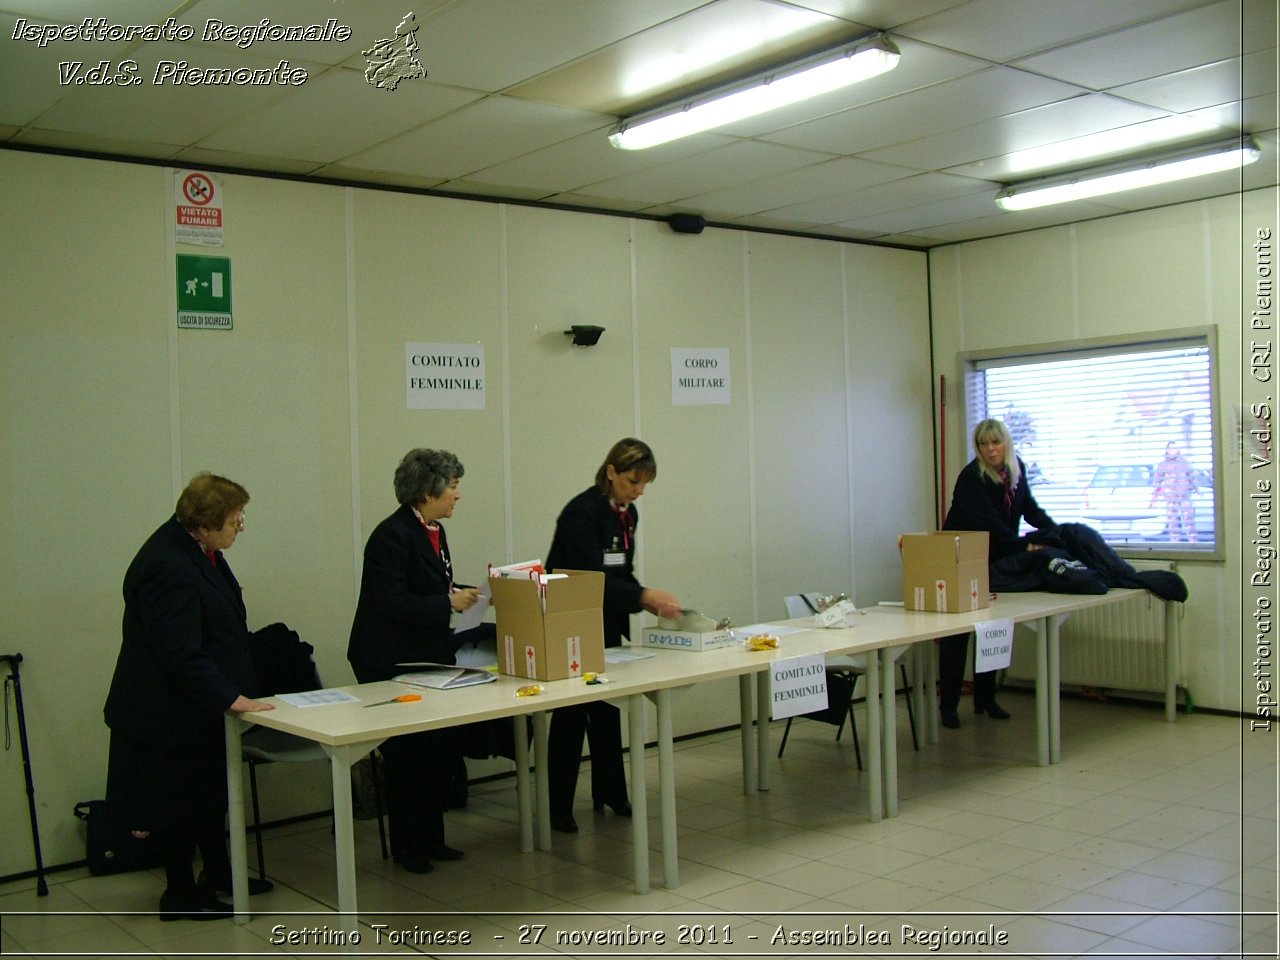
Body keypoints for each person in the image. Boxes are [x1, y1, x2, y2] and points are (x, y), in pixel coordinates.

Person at [104, 472, 275, 921]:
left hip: (193, 707)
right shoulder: (168, 564)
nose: (240, 527)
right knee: (178, 806)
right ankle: (179, 894)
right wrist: (231, 698)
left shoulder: (198, 548)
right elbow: (179, 650)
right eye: (235, 520)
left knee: (209, 798)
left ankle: (218, 875)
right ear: (203, 525)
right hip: (166, 711)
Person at [347, 448, 480, 874]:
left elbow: (430, 586)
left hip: (425, 654)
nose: (458, 495)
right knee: (410, 754)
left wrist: (466, 593)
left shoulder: (434, 529)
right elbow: (390, 602)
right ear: (429, 491)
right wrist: (447, 601)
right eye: (453, 486)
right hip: (390, 658)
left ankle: (433, 839)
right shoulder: (391, 535)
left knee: (437, 747)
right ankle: (409, 847)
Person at [544, 438, 682, 834]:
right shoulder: (581, 513)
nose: (638, 491)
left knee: (607, 710)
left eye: (643, 484)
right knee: (571, 715)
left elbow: (622, 573)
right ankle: (559, 807)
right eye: (632, 481)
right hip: (570, 621)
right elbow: (591, 579)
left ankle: (611, 792)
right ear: (611, 472)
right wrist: (642, 596)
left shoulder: (628, 514)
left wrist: (648, 601)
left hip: (606, 624)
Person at [938, 419, 1057, 729]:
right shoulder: (972, 478)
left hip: (995, 559)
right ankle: (948, 706)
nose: (990, 450)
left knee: (993, 630)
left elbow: (1030, 509)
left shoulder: (1016, 470)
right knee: (957, 635)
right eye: (983, 444)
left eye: (995, 443)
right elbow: (992, 526)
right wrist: (1025, 547)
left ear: (1006, 443)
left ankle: (986, 698)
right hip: (961, 560)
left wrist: (1056, 533)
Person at [1151, 441, 1198, 543]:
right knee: (1173, 522)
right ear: (1167, 450)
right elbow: (1157, 481)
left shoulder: (1184, 463)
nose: (1173, 450)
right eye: (1171, 448)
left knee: (1189, 520)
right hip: (1170, 497)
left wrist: (1197, 489)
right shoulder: (1163, 465)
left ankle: (1193, 542)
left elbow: (1192, 478)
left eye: (1175, 448)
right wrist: (1154, 496)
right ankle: (1175, 542)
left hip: (1184, 496)